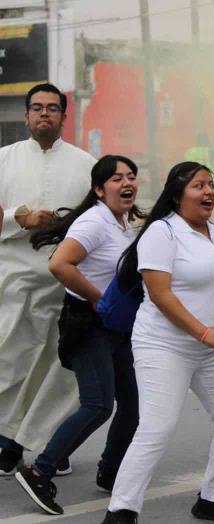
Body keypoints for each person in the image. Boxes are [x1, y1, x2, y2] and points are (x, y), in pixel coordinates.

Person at [102, 162, 214, 524]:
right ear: (178, 193)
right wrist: (203, 332)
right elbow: (160, 294)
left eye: (211, 185)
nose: (209, 192)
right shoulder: (162, 233)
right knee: (158, 425)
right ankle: (121, 510)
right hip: (163, 345)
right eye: (199, 185)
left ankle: (212, 499)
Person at [15, 155, 142, 515]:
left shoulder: (120, 222)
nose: (127, 183)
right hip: (89, 324)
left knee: (132, 405)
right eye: (117, 178)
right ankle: (40, 470)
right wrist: (99, 299)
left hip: (115, 325)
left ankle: (111, 470)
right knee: (98, 404)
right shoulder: (95, 222)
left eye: (131, 176)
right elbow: (59, 263)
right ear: (100, 189)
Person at [0, 83, 95, 475]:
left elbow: (99, 221)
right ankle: (6, 441)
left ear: (63, 116)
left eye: (52, 108)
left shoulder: (87, 165)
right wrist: (18, 219)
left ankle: (46, 446)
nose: (44, 114)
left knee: (54, 371)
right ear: (26, 116)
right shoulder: (3, 160)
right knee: (9, 364)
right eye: (37, 108)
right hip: (12, 284)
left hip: (63, 286)